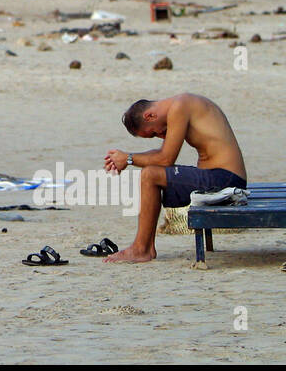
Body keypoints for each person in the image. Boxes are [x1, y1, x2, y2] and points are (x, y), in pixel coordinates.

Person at [102, 94, 249, 264]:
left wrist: (128, 159)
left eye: (153, 133)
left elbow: (166, 159)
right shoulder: (182, 104)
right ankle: (146, 248)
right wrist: (127, 158)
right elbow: (161, 155)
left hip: (224, 179)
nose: (160, 135)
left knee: (149, 175)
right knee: (151, 173)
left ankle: (141, 249)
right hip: (219, 177)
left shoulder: (180, 107)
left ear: (150, 116)